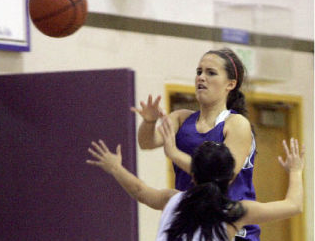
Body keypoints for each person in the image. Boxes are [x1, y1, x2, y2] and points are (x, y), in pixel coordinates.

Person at [86, 128, 304, 241]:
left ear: (193, 176)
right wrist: (295, 170)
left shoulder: (173, 199)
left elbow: (140, 190)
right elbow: (294, 205)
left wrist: (115, 167)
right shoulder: (235, 211)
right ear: (230, 178)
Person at [131, 48, 259, 240]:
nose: (201, 77)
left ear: (230, 84)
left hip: (228, 225)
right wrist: (149, 122)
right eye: (199, 72)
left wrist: (174, 154)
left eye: (211, 73)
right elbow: (146, 143)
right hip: (192, 223)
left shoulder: (236, 124)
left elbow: (224, 175)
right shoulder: (181, 119)